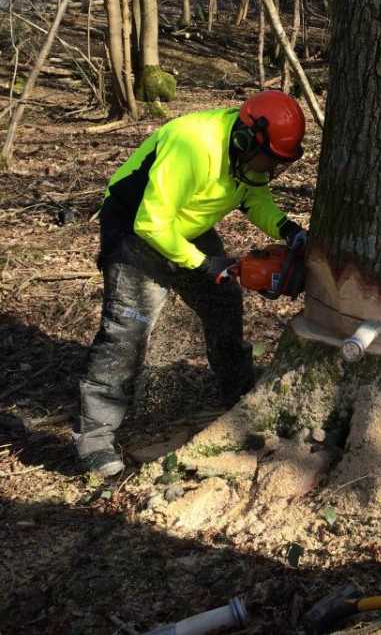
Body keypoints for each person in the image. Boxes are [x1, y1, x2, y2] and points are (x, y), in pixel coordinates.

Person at [75, 90, 308, 477]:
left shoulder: (246, 159)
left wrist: (289, 230)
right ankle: (94, 439)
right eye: (269, 161)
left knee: (223, 303)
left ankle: (237, 390)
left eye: (277, 166)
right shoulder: (192, 145)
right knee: (127, 331)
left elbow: (254, 197)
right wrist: (203, 263)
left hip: (186, 227)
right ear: (246, 140)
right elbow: (151, 223)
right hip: (136, 231)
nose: (270, 171)